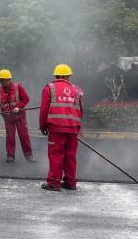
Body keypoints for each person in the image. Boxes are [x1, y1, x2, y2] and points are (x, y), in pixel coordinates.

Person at [40, 64, 84, 192]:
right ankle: (71, 183)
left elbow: (44, 109)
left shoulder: (50, 88)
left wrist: (42, 125)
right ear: (68, 76)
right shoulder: (77, 90)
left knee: (56, 155)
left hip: (56, 128)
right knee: (70, 156)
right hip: (73, 128)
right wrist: (78, 128)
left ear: (56, 75)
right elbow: (81, 110)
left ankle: (54, 183)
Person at [0, 69, 35, 163]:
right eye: (1, 80)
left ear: (9, 79)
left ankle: (29, 155)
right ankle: (10, 155)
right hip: (8, 118)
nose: (2, 82)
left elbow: (26, 99)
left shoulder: (18, 87)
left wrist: (19, 107)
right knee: (10, 137)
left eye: (4, 80)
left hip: (20, 117)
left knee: (24, 136)